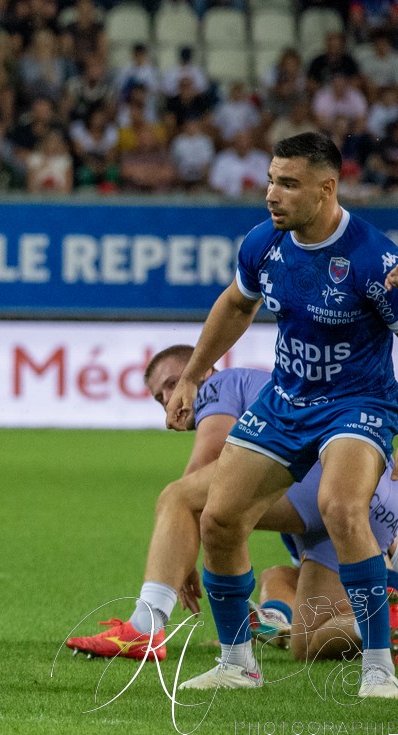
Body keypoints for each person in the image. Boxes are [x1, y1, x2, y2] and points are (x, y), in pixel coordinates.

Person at [165, 132, 398, 697]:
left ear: (326, 189)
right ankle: (238, 664)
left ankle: (378, 667)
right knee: (218, 520)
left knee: (341, 507)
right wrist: (194, 374)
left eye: (288, 183)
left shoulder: (372, 258)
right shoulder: (265, 242)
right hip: (287, 399)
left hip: (357, 404)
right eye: (271, 179)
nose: (272, 193)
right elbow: (237, 304)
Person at [65, 345, 398, 663]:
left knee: (177, 496)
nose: (168, 399)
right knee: (308, 642)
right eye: (159, 397)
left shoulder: (217, 384)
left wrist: (179, 542)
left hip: (318, 474)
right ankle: (388, 624)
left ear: (201, 370)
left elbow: (211, 463)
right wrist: (181, 542)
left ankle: (144, 628)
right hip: (376, 500)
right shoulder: (258, 386)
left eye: (172, 384)